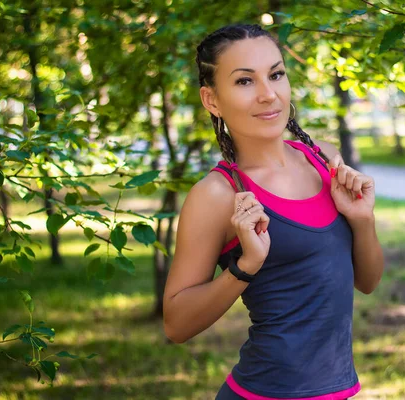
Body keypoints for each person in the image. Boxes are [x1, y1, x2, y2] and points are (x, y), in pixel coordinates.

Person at [163, 24, 385, 400]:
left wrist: (362, 220)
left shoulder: (325, 160)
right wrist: (246, 266)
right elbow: (176, 324)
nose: (269, 95)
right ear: (212, 100)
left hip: (337, 391)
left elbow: (367, 282)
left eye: (276, 74)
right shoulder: (218, 195)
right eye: (245, 82)